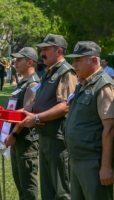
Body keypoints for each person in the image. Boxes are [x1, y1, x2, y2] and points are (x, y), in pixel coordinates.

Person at [20, 34, 79, 199]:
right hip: (45, 137)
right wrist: (20, 113)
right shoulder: (48, 72)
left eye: (46, 49)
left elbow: (65, 106)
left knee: (62, 191)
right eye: (42, 49)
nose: (42, 53)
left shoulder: (66, 72)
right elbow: (39, 101)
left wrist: (37, 118)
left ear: (59, 51)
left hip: (58, 140)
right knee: (48, 190)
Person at [64, 41, 114, 200]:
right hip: (78, 158)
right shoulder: (82, 84)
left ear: (94, 61)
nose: (73, 64)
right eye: (73, 60)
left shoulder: (103, 86)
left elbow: (109, 128)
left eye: (78, 60)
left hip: (93, 161)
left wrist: (106, 166)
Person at [3, 47, 40, 200]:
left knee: (27, 184)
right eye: (15, 59)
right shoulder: (23, 82)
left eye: (19, 60)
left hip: (25, 139)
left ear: (30, 62)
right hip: (17, 138)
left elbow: (25, 113)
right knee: (19, 181)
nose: (15, 62)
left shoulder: (33, 84)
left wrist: (13, 133)